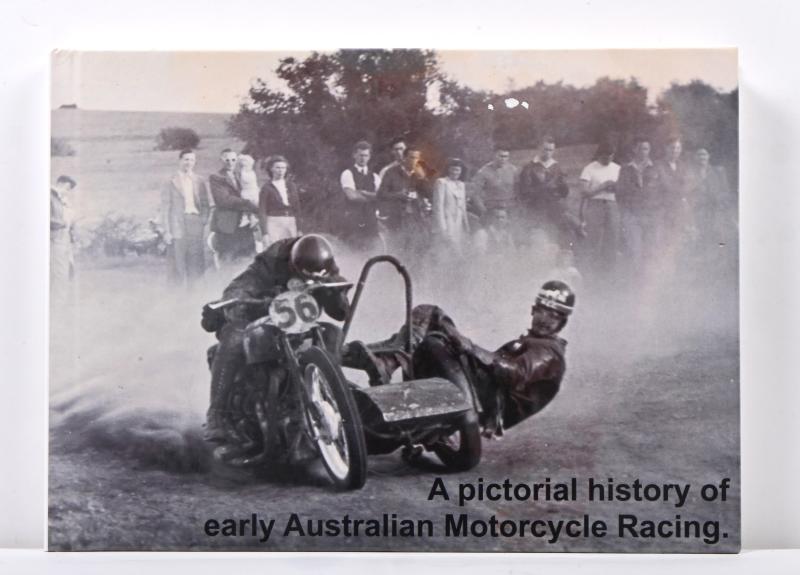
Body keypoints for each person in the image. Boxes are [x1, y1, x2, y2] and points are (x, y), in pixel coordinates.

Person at [346, 281, 575, 438]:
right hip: (483, 398)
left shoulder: (548, 353)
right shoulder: (535, 343)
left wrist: (470, 348)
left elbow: (515, 373)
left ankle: (385, 362)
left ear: (562, 322)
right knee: (429, 333)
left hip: (484, 401)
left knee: (432, 317)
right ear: (533, 310)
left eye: (554, 315)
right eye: (542, 311)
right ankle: (383, 362)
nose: (545, 319)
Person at [203, 234, 351, 446]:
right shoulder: (272, 261)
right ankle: (216, 414)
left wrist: (336, 292)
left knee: (333, 333)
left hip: (301, 325)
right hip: (263, 318)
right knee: (234, 335)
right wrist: (241, 299)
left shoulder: (324, 262)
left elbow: (341, 312)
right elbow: (242, 284)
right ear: (293, 264)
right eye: (304, 275)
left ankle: (333, 397)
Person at [160, 149, 213, 286]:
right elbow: (165, 207)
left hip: (195, 223)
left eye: (192, 160)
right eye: (186, 159)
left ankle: (195, 293)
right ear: (180, 161)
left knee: (196, 261)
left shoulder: (199, 180)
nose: (189, 163)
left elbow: (205, 204)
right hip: (177, 224)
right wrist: (167, 231)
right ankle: (175, 295)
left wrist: (203, 220)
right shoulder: (170, 181)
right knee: (176, 262)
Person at [616, 138, 662, 274]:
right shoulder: (625, 169)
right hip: (632, 215)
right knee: (634, 249)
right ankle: (634, 280)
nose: (644, 152)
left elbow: (661, 191)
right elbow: (620, 193)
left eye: (646, 149)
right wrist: (626, 212)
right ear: (634, 149)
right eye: (641, 148)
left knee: (651, 249)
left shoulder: (655, 168)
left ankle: (648, 280)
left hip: (651, 214)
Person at [517, 136, 572, 249]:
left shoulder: (557, 167)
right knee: (538, 240)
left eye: (551, 150)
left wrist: (563, 186)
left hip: (554, 209)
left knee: (558, 238)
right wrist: (546, 188)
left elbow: (564, 193)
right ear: (539, 148)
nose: (548, 153)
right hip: (536, 209)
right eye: (545, 149)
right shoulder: (529, 167)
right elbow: (524, 192)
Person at [578, 142, 621, 278]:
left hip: (613, 205)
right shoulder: (589, 169)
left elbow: (623, 189)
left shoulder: (618, 168)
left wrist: (615, 187)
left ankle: (608, 274)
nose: (608, 159)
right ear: (599, 155)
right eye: (605, 157)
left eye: (611, 156)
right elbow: (584, 192)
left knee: (612, 239)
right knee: (593, 239)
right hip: (595, 205)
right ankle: (590, 273)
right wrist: (603, 186)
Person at [377, 146, 431, 254]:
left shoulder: (418, 174)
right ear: (404, 158)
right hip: (396, 219)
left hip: (415, 218)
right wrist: (398, 195)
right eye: (412, 157)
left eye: (417, 158)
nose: (415, 161)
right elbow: (381, 194)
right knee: (398, 250)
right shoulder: (391, 172)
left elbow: (429, 194)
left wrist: (423, 178)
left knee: (417, 250)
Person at [209, 148, 259, 264]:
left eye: (233, 160)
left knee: (248, 259)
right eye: (227, 160)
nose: (230, 163)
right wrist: (247, 203)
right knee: (228, 259)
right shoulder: (216, 177)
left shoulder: (241, 175)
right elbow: (223, 200)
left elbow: (251, 191)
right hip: (227, 225)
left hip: (245, 225)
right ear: (221, 160)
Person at [339, 141, 381, 249]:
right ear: (354, 155)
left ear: (369, 157)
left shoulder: (375, 176)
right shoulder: (347, 173)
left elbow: (382, 197)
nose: (363, 158)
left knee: (372, 250)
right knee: (353, 251)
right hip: (353, 221)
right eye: (360, 155)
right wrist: (373, 197)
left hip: (371, 221)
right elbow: (352, 196)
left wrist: (364, 193)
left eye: (366, 155)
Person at [259, 155, 301, 249]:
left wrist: (299, 229)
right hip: (274, 222)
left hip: (291, 222)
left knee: (292, 250)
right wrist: (265, 233)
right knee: (275, 250)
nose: (281, 170)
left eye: (283, 168)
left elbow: (297, 208)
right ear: (271, 169)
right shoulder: (266, 188)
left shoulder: (291, 186)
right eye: (277, 167)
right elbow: (262, 211)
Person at [432, 158, 470, 257]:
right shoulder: (441, 182)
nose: (455, 172)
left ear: (461, 171)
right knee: (444, 252)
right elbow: (438, 207)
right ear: (448, 169)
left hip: (458, 224)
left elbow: (463, 207)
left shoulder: (461, 185)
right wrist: (442, 229)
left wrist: (466, 226)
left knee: (457, 253)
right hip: (446, 222)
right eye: (453, 169)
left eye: (458, 170)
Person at [50, 175, 77, 298]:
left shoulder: (61, 200)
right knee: (59, 271)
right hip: (56, 238)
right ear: (60, 183)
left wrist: (71, 232)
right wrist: (62, 223)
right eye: (67, 188)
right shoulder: (49, 197)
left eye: (69, 190)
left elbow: (69, 220)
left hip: (65, 239)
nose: (68, 192)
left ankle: (62, 298)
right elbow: (45, 219)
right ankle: (58, 300)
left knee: (68, 269)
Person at [235, 154, 264, 252]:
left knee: (255, 210)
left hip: (253, 192)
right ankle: (248, 218)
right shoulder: (243, 172)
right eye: (242, 163)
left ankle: (253, 220)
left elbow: (251, 182)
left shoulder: (250, 172)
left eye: (246, 163)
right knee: (248, 208)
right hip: (247, 192)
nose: (245, 165)